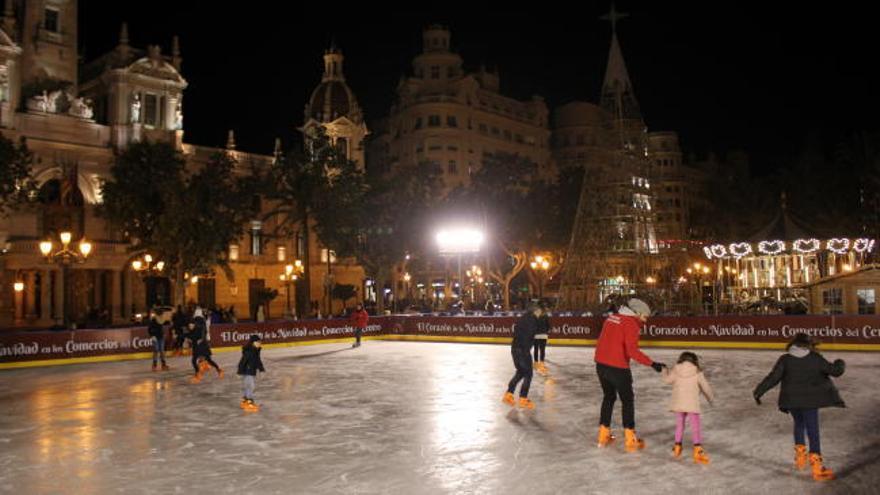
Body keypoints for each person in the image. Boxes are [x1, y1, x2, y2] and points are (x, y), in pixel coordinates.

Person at [753, 333, 845, 481]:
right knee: (812, 428)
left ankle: (800, 458)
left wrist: (759, 391)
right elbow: (835, 371)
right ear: (808, 345)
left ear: (793, 344)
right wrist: (840, 362)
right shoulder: (815, 358)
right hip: (810, 401)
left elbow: (773, 378)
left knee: (799, 424)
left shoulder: (785, 359)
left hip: (791, 401)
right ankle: (816, 466)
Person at [594, 298, 665, 451]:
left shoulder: (611, 318)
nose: (646, 319)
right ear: (637, 313)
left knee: (609, 397)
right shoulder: (631, 324)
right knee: (627, 400)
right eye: (645, 316)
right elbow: (632, 351)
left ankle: (603, 434)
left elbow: (602, 341)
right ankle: (630, 438)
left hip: (601, 365)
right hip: (618, 367)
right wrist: (652, 364)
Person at [662, 352, 714, 464]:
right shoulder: (697, 372)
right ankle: (697, 448)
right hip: (692, 404)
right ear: (695, 361)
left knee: (680, 425)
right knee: (695, 426)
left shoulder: (676, 370)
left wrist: (664, 371)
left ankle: (677, 446)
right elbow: (705, 387)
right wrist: (710, 398)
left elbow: (666, 381)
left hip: (679, 404)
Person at [502, 303, 543, 410]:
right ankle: (523, 398)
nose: (540, 314)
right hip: (522, 350)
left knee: (520, 372)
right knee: (528, 374)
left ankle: (509, 394)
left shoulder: (523, 318)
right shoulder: (532, 320)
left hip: (514, 349)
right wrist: (526, 351)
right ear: (536, 311)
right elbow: (528, 335)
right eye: (540, 312)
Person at [190, 308, 223, 383]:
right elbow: (202, 331)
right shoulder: (202, 320)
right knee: (207, 359)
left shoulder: (198, 321)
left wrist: (198, 339)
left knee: (195, 360)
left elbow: (201, 331)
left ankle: (198, 373)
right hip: (203, 344)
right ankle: (218, 370)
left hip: (200, 344)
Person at [237, 334, 265, 412]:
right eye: (258, 342)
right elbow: (242, 361)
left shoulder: (256, 350)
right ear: (253, 342)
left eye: (260, 342)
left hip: (251, 371)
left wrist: (261, 369)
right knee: (250, 386)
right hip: (247, 371)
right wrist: (239, 372)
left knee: (248, 386)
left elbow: (258, 361)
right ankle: (249, 401)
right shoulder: (249, 351)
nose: (260, 343)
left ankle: (245, 400)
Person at [533, 305, 550, 375]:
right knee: (542, 349)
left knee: (536, 349)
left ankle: (536, 363)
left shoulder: (535, 316)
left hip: (536, 335)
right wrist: (546, 331)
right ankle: (542, 363)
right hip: (543, 335)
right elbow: (548, 326)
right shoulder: (546, 316)